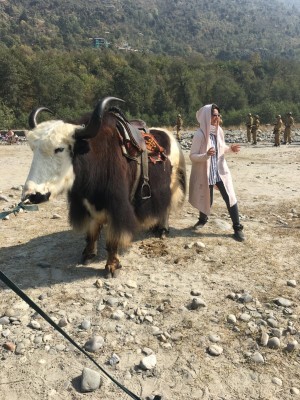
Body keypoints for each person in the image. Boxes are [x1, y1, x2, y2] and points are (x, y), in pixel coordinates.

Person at [189, 103, 245, 242]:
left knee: (230, 197)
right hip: (206, 173)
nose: (217, 117)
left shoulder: (219, 131)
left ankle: (237, 228)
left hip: (220, 171)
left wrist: (230, 149)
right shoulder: (200, 134)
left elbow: (221, 147)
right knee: (207, 198)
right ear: (207, 116)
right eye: (214, 115)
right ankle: (202, 220)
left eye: (218, 115)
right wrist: (206, 155)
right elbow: (192, 156)